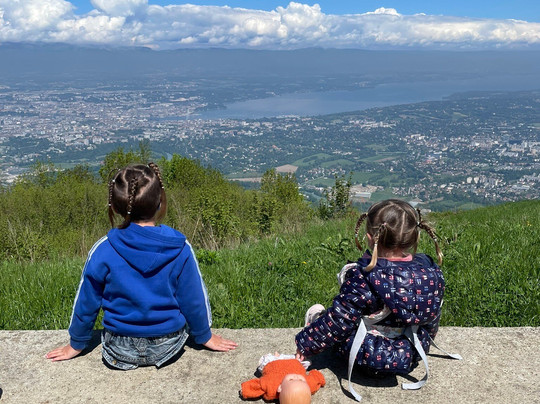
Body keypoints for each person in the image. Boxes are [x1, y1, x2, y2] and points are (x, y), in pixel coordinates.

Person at [46, 163, 237, 369]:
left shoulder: (104, 249)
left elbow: (86, 302)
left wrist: (76, 343)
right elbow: (193, 298)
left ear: (115, 207)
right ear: (160, 202)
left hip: (119, 346)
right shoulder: (179, 246)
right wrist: (204, 335)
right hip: (169, 343)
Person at [295, 199, 452, 400]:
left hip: (365, 357)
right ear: (414, 238)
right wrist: (425, 341)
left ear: (370, 238)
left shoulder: (365, 277)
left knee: (334, 317)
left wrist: (306, 344)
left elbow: (339, 320)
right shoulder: (430, 272)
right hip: (409, 355)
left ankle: (315, 319)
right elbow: (432, 318)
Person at [241, 352, 325, 403]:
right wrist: (318, 375)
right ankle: (286, 357)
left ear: (280, 388)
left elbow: (258, 386)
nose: (296, 377)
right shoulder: (308, 385)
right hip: (294, 362)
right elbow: (315, 379)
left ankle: (277, 356)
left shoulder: (272, 385)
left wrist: (245, 390)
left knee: (264, 360)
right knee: (306, 361)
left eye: (291, 380)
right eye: (301, 380)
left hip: (273, 362)